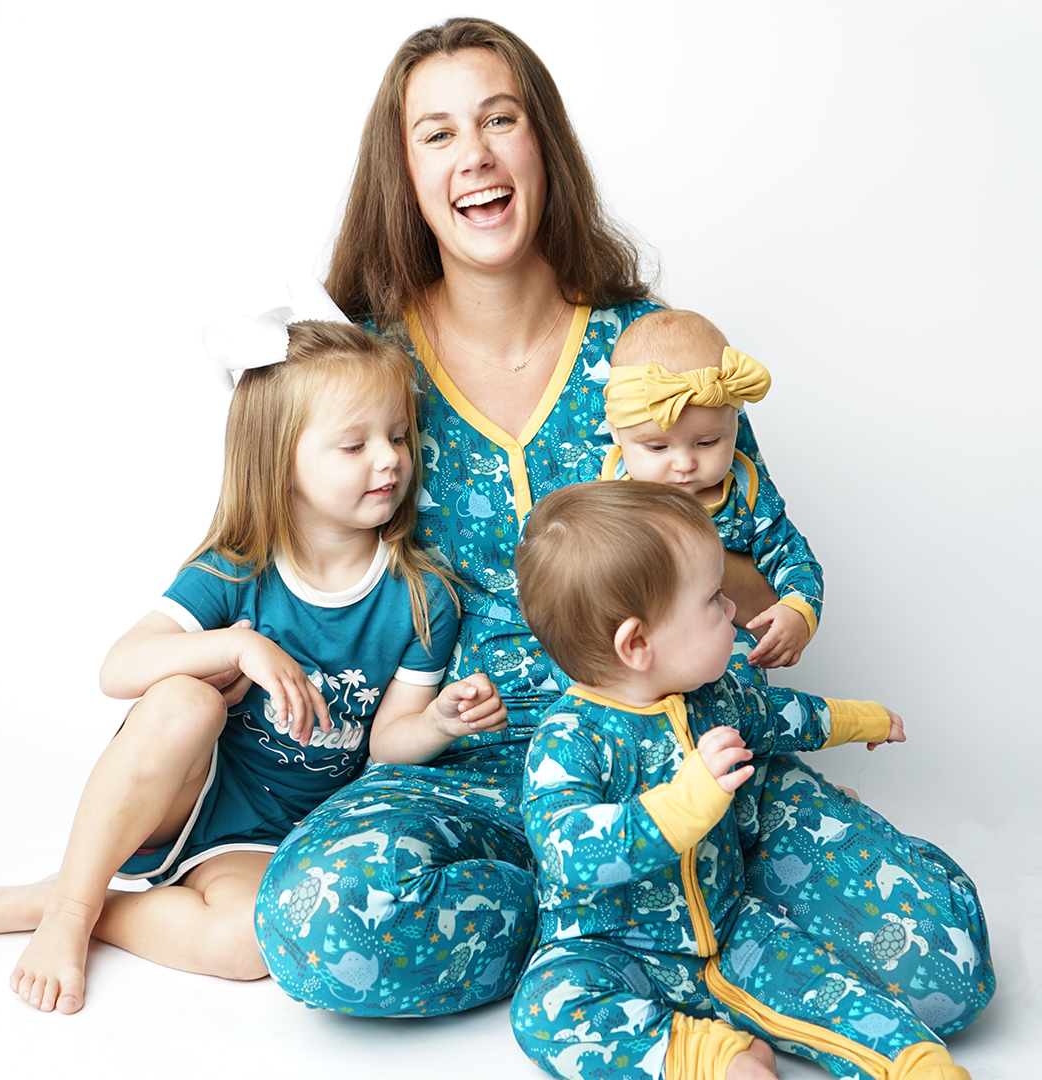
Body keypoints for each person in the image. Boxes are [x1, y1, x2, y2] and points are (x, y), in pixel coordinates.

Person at [256, 16, 993, 1042]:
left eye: (500, 120)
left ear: (543, 145)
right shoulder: (367, 370)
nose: (474, 155)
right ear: (405, 173)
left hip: (690, 748)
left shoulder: (650, 352)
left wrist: (693, 536)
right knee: (314, 923)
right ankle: (623, 923)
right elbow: (285, 567)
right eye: (437, 134)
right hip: (481, 775)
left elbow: (750, 581)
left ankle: (663, 912)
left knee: (946, 968)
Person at [0, 311, 504, 1015]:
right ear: (280, 461)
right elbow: (117, 668)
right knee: (183, 700)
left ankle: (76, 901)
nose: (390, 460)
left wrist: (438, 723)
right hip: (183, 794)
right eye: (354, 445)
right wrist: (238, 644)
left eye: (398, 436)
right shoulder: (237, 570)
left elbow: (385, 744)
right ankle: (67, 911)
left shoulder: (421, 598)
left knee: (249, 947)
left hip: (272, 841)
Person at [510, 482, 986, 1080]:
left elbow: (787, 715)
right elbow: (566, 850)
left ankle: (913, 1061)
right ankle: (705, 1055)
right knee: (544, 1010)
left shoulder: (716, 696)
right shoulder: (569, 740)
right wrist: (685, 802)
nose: (732, 609)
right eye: (712, 599)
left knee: (825, 987)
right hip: (610, 947)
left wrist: (863, 718)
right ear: (637, 643)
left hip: (734, 927)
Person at [601, 309, 822, 674]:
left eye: (706, 442)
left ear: (735, 425)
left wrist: (796, 610)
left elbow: (795, 560)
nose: (684, 463)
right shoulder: (601, 491)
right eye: (657, 447)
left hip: (727, 672)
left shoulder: (745, 496)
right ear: (615, 433)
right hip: (631, 675)